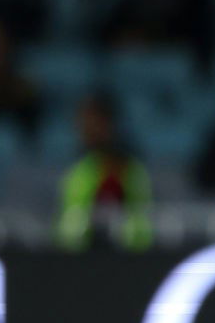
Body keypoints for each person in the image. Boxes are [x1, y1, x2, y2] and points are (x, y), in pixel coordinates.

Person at [55, 92, 152, 252]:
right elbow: (67, 227)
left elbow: (139, 229)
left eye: (93, 122)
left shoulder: (126, 168)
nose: (86, 128)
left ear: (109, 125)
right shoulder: (77, 168)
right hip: (74, 259)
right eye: (83, 121)